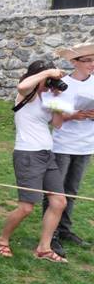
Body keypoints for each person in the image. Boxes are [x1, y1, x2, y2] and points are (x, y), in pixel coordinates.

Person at [0, 61, 68, 263]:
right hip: (27, 154)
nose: (50, 82)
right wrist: (47, 73)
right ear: (39, 75)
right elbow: (22, 86)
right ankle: (2, 240)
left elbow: (58, 124)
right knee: (27, 207)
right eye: (48, 79)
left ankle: (44, 248)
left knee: (59, 202)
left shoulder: (47, 97)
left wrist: (57, 101)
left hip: (47, 153)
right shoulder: (25, 95)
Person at [43, 41, 94, 257]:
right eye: (88, 60)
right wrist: (72, 115)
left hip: (86, 144)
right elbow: (50, 112)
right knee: (56, 191)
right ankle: (50, 235)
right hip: (62, 144)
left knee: (71, 190)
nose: (92, 64)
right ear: (75, 62)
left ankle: (64, 230)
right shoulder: (62, 84)